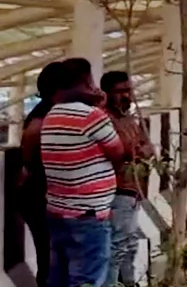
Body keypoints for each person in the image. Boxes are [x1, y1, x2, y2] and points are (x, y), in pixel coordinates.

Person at [41, 58, 125, 287]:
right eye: (90, 82)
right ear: (81, 84)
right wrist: (99, 106)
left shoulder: (52, 114)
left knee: (59, 277)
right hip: (88, 214)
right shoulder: (92, 116)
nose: (93, 87)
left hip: (58, 211)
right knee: (86, 279)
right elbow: (118, 152)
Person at [101, 71, 155, 287]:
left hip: (132, 190)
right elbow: (123, 150)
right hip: (117, 190)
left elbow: (144, 147)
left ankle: (129, 282)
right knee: (117, 246)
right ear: (107, 94)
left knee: (130, 243)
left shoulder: (128, 118)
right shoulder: (105, 119)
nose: (126, 96)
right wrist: (139, 150)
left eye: (129, 90)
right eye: (120, 91)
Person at [20, 62, 64, 287]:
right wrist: (28, 166)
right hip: (41, 196)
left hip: (41, 195)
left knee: (51, 256)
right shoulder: (46, 112)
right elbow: (32, 132)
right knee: (50, 258)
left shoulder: (49, 110)